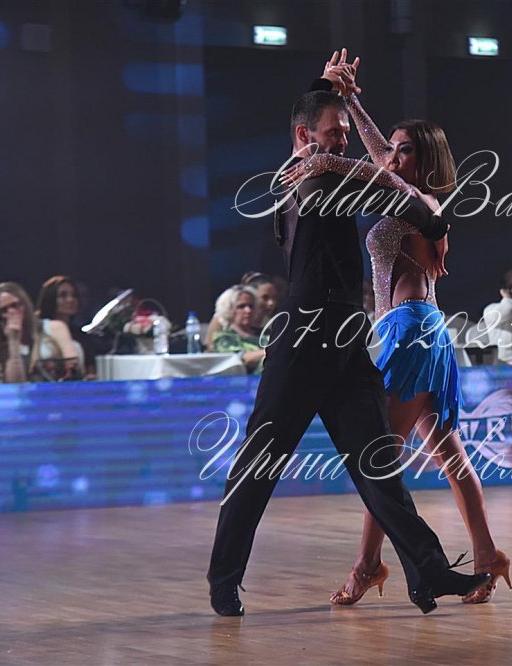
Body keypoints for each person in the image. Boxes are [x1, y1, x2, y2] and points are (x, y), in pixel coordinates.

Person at [206, 51, 489, 617]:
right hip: (302, 340)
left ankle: (428, 572)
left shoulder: (326, 169)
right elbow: (388, 184)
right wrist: (338, 129)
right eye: (333, 135)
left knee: (379, 466)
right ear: (303, 137)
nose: (342, 145)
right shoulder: (307, 180)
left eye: (343, 135)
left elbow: (407, 199)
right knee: (260, 464)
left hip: (347, 340)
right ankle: (224, 578)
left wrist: (335, 95)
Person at [285, 55, 511, 606]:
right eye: (393, 146)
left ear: (425, 159)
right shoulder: (411, 198)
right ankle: (487, 557)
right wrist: (349, 98)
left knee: (378, 461)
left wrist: (316, 156)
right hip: (421, 329)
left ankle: (367, 566)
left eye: (405, 149)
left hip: (410, 331)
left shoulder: (417, 202)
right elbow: (378, 158)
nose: (391, 154)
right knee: (449, 455)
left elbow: (366, 165)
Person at [0, 282, 82, 383]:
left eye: (15, 305)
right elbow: (16, 385)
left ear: (25, 304)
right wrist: (13, 341)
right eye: (4, 310)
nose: (11, 312)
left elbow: (73, 367)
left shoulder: (55, 328)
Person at [36, 275, 92, 377]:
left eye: (74, 295)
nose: (70, 300)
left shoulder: (82, 336)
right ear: (50, 299)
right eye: (63, 295)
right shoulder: (38, 331)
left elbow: (90, 369)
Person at [207, 285, 265, 373]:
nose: (248, 310)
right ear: (229, 309)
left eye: (251, 306)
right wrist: (272, 351)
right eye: (241, 306)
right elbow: (241, 359)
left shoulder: (264, 335)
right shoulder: (223, 338)